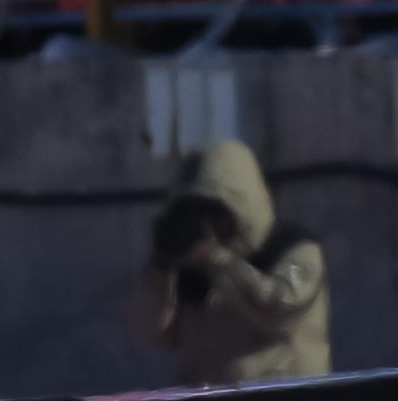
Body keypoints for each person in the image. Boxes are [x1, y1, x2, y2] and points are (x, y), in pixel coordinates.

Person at [133, 137, 329, 386]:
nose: (206, 224)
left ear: (241, 205)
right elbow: (153, 333)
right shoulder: (191, 266)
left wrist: (217, 259)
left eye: (215, 211)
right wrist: (161, 268)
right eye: (194, 212)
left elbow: (281, 309)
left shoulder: (293, 250)